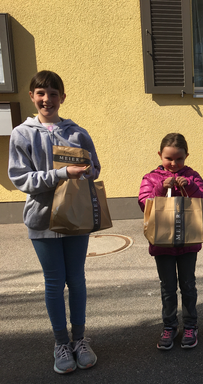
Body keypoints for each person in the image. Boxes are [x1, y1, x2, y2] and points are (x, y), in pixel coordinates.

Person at [8, 71, 99, 374]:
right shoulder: (22, 133)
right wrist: (62, 174)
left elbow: (94, 168)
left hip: (76, 216)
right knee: (53, 283)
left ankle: (80, 340)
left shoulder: (77, 132)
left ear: (62, 96)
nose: (47, 99)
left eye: (53, 93)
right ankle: (61, 342)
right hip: (42, 219)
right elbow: (21, 178)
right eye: (40, 93)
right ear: (32, 96)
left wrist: (84, 170)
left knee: (77, 279)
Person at [138, 133, 203, 351]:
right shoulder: (151, 177)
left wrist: (190, 187)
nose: (174, 164)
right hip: (162, 245)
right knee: (168, 287)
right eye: (169, 158)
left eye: (179, 159)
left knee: (188, 285)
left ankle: (190, 325)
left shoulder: (193, 176)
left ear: (186, 156)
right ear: (160, 155)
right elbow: (144, 203)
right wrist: (160, 187)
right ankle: (169, 326)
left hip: (188, 244)